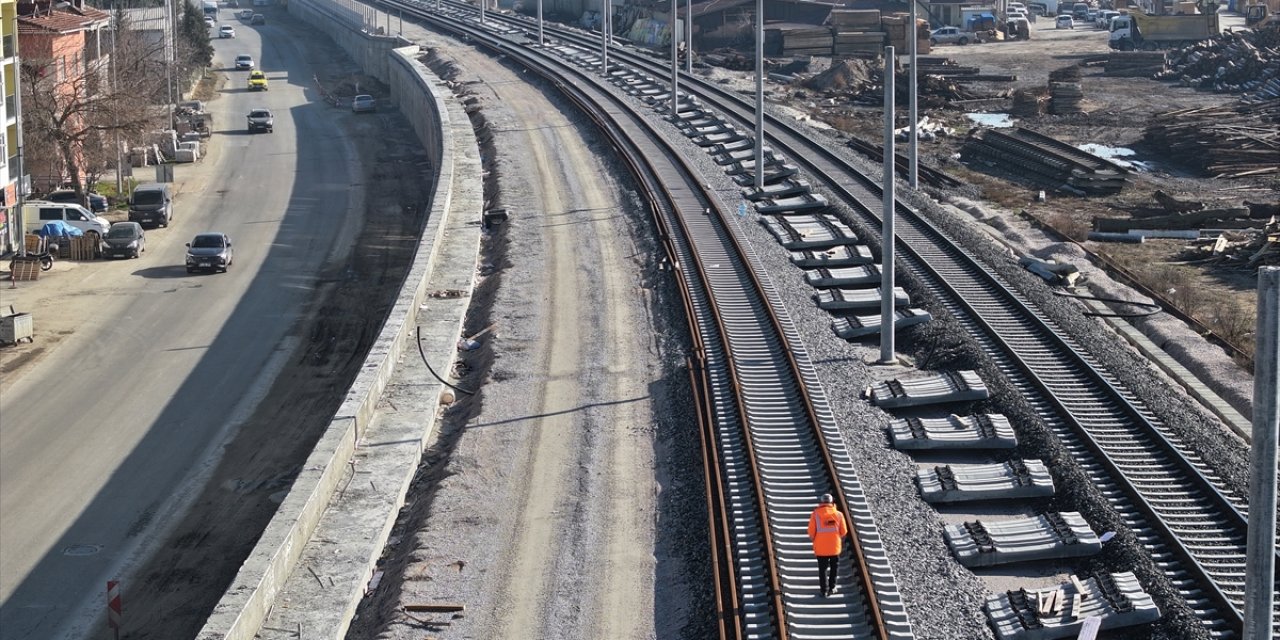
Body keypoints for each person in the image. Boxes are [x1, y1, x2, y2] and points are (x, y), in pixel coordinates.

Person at [807, 493, 848, 597]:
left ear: (821, 502)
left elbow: (811, 532)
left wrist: (815, 539)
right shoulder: (839, 514)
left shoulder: (815, 514)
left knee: (822, 569)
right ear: (832, 502)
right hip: (835, 548)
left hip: (821, 548)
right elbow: (844, 532)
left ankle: (823, 590)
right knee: (834, 567)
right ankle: (832, 587)